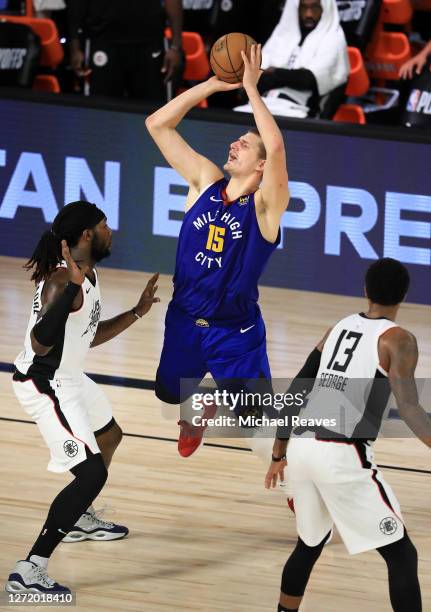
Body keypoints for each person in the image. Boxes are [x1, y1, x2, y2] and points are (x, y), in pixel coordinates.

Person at [5, 201, 159, 593]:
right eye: (105, 225)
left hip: (71, 376)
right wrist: (72, 285)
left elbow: (88, 335)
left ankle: (79, 515)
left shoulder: (88, 275)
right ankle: (30, 568)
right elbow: (41, 345)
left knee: (110, 435)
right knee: (91, 474)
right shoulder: (63, 281)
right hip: (45, 384)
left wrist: (137, 312)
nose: (112, 231)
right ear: (87, 234)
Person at [146, 45, 289, 460]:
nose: (235, 144)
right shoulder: (204, 183)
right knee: (167, 392)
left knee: (256, 413)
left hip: (234, 331)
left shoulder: (265, 207)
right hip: (185, 319)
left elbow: (276, 149)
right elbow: (158, 124)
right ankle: (195, 408)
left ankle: (291, 478)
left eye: (245, 144)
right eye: (237, 139)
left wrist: (250, 89)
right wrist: (211, 84)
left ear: (260, 167)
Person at [265, 258, 426, 612]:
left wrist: (279, 452)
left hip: (302, 448)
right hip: (341, 454)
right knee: (401, 554)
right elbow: (411, 409)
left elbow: (298, 386)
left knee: (308, 545)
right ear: (405, 295)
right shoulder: (399, 340)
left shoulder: (338, 327)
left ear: (365, 290)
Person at [234, 0, 349, 119]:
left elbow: (309, 79)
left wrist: (274, 72)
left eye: (315, 8)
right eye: (303, 8)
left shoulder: (334, 39)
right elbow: (253, 78)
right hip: (261, 105)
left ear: (325, 9)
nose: (308, 14)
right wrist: (286, 76)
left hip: (299, 111)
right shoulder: (282, 34)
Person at [68, 0, 183, 100]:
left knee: (154, 112)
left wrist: (176, 47)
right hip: (102, 41)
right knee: (100, 109)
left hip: (150, 42)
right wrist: (74, 45)